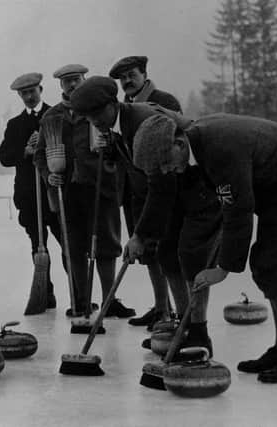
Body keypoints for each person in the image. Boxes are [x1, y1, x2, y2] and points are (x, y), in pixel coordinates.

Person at [133, 113, 277, 383]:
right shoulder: (198, 145)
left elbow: (238, 210)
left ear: (179, 144)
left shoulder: (219, 151)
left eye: (167, 164)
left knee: (275, 266)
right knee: (270, 267)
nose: (170, 171)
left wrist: (223, 268)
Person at [70, 76, 221, 352]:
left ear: (111, 104)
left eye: (96, 114)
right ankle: (184, 324)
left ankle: (198, 332)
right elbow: (141, 172)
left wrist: (140, 235)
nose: (93, 122)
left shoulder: (142, 122)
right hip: (169, 190)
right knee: (166, 254)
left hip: (194, 188)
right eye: (88, 118)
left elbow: (162, 184)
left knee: (189, 255)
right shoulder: (116, 125)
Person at [34, 64, 134, 318]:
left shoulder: (100, 110)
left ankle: (110, 299)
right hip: (68, 192)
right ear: (61, 86)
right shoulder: (52, 117)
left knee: (106, 244)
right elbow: (39, 156)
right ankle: (80, 300)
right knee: (74, 247)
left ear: (84, 80)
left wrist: (110, 149)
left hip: (100, 186)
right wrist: (49, 175)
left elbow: (121, 145)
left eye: (76, 79)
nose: (72, 85)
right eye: (67, 81)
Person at [109, 56, 186, 329]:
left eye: (132, 75)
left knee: (166, 250)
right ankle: (161, 308)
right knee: (148, 253)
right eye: (123, 78)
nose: (127, 81)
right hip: (135, 190)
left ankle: (179, 314)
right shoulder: (121, 110)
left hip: (160, 190)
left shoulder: (164, 101)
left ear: (144, 74)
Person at [0, 72, 61, 309]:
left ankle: (80, 295)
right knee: (38, 246)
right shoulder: (15, 125)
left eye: (32, 91)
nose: (29, 97)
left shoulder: (56, 115)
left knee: (67, 243)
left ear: (40, 90)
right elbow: (3, 157)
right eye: (24, 94)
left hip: (55, 194)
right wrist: (24, 152)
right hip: (29, 196)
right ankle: (45, 292)